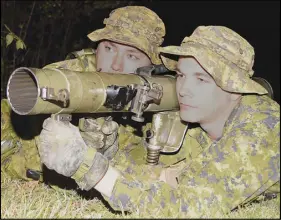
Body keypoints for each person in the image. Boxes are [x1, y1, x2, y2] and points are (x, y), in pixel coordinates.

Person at [37, 25, 280, 217]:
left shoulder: (264, 128)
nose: (184, 89)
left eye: (202, 80)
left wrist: (91, 168)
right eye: (182, 75)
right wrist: (105, 155)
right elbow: (161, 178)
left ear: (235, 88)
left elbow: (186, 207)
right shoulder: (199, 126)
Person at [1, 6, 166, 182]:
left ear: (151, 68)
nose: (115, 65)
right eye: (109, 48)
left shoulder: (158, 99)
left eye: (132, 56)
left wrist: (106, 155)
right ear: (97, 48)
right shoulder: (67, 79)